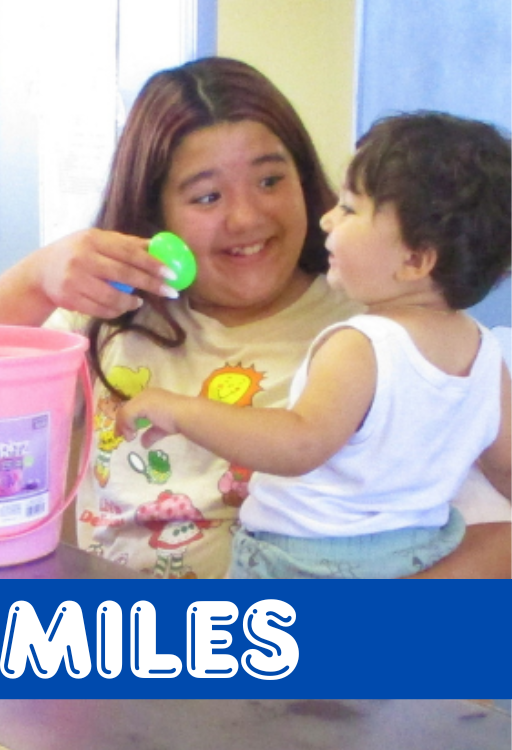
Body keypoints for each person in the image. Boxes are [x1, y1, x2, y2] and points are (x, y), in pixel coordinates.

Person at [0, 57, 511, 580]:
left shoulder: (381, 331)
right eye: (208, 197)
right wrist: (35, 279)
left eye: (270, 181)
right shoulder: (111, 317)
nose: (246, 218)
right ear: (155, 209)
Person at [115, 112, 511, 578]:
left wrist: (181, 411)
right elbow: (507, 466)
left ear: (414, 259)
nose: (327, 218)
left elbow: (299, 443)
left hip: (303, 563)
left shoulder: (362, 344)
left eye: (349, 209)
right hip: (416, 554)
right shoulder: (485, 354)